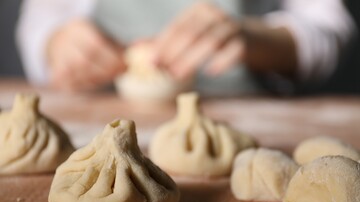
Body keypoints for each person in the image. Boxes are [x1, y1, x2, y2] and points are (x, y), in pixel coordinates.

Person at [16, 0, 356, 94]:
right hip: (100, 107)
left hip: (242, 109)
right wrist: (54, 43)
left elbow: (329, 27)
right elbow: (39, 24)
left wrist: (255, 39)